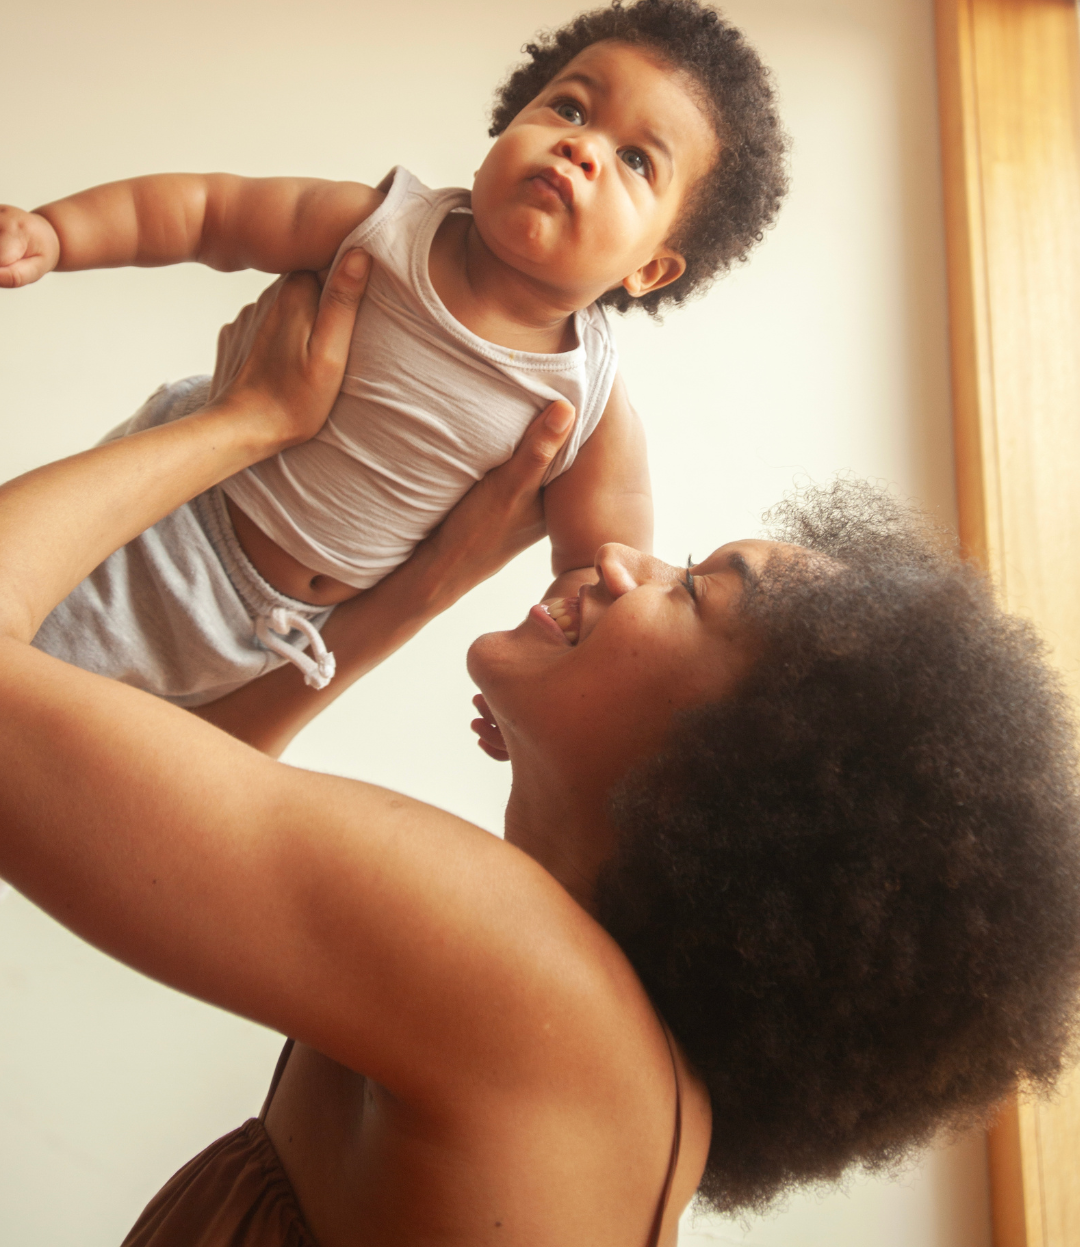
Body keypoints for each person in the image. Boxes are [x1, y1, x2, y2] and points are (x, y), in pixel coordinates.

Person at [3, 274, 1079, 1246]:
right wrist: (417, 589)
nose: (623, 559)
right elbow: (154, 777)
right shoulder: (587, 1036)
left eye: (695, 587)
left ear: (756, 782)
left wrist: (247, 421)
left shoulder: (516, 978)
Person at [0, 0, 787, 707]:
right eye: (571, 109)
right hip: (167, 515)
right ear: (506, 127)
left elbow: (598, 573)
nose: (582, 149)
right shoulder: (381, 228)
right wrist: (56, 234)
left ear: (649, 267)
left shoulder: (589, 408)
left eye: (636, 160)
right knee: (24, 688)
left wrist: (547, 682)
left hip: (274, 635)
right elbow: (208, 213)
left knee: (82, 763)